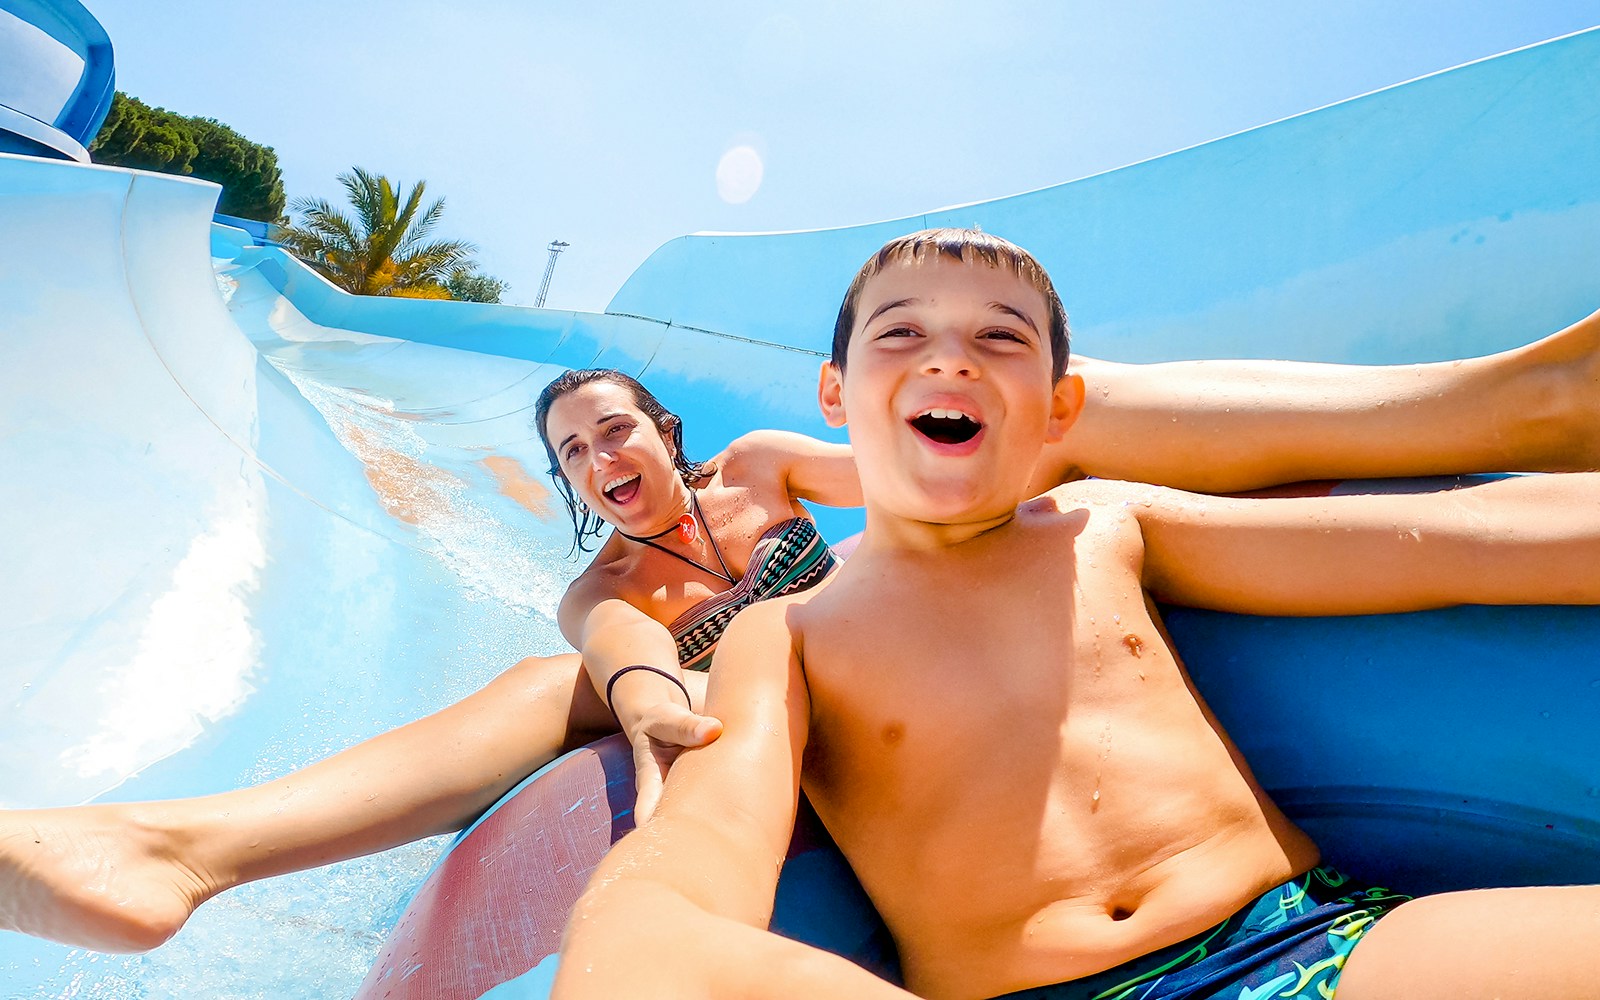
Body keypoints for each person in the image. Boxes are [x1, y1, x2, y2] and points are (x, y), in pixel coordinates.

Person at [2, 291, 1598, 957]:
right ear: (566, 487)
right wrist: (642, 704)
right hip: (773, 732)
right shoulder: (606, 593)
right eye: (574, 459)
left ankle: (1509, 398)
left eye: (617, 432)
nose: (604, 464)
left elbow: (934, 474)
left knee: (1062, 438)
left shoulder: (772, 478)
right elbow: (623, 660)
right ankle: (176, 853)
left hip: (908, 675)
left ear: (663, 429)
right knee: (543, 679)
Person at [554, 229, 1600, 1000]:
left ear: (1059, 410)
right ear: (835, 391)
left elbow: (1460, 545)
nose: (948, 358)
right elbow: (700, 850)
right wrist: (644, 928)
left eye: (998, 339)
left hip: (1310, 936)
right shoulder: (784, 633)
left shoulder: (1104, 524)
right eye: (902, 331)